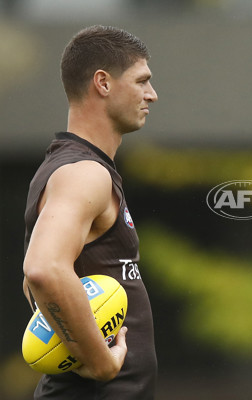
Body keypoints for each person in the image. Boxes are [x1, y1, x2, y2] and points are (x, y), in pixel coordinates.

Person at [22, 25, 158, 399]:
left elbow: (34, 285)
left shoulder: (75, 168)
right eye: (142, 81)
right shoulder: (84, 174)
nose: (153, 95)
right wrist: (99, 362)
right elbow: (42, 270)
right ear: (103, 83)